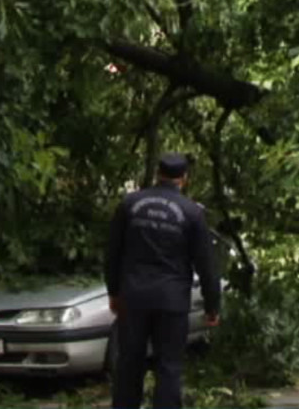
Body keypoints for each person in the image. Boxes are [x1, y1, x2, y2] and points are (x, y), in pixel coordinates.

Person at [107, 153, 221, 409]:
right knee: (169, 367)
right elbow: (206, 264)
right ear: (184, 178)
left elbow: (113, 252)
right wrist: (212, 306)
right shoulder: (192, 213)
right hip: (172, 301)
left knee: (129, 364)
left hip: (133, 298)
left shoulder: (129, 204)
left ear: (158, 174)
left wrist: (114, 292)